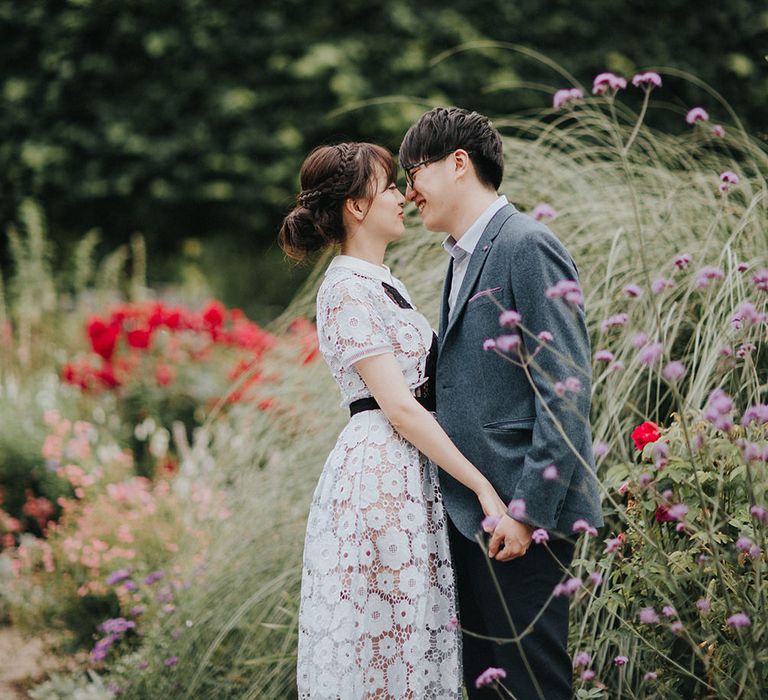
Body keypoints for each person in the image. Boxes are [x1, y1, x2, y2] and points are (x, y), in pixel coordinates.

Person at [279, 142, 508, 699]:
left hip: (408, 475)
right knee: (386, 640)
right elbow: (401, 407)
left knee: (412, 636)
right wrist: (481, 483)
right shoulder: (345, 288)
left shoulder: (382, 282)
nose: (403, 196)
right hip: (380, 477)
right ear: (356, 206)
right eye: (388, 187)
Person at [399, 107, 604, 700]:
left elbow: (565, 388)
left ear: (458, 163)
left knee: (533, 686)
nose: (409, 192)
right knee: (489, 687)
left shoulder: (526, 244)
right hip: (476, 517)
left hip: (521, 518)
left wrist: (527, 512)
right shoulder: (461, 257)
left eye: (415, 172)